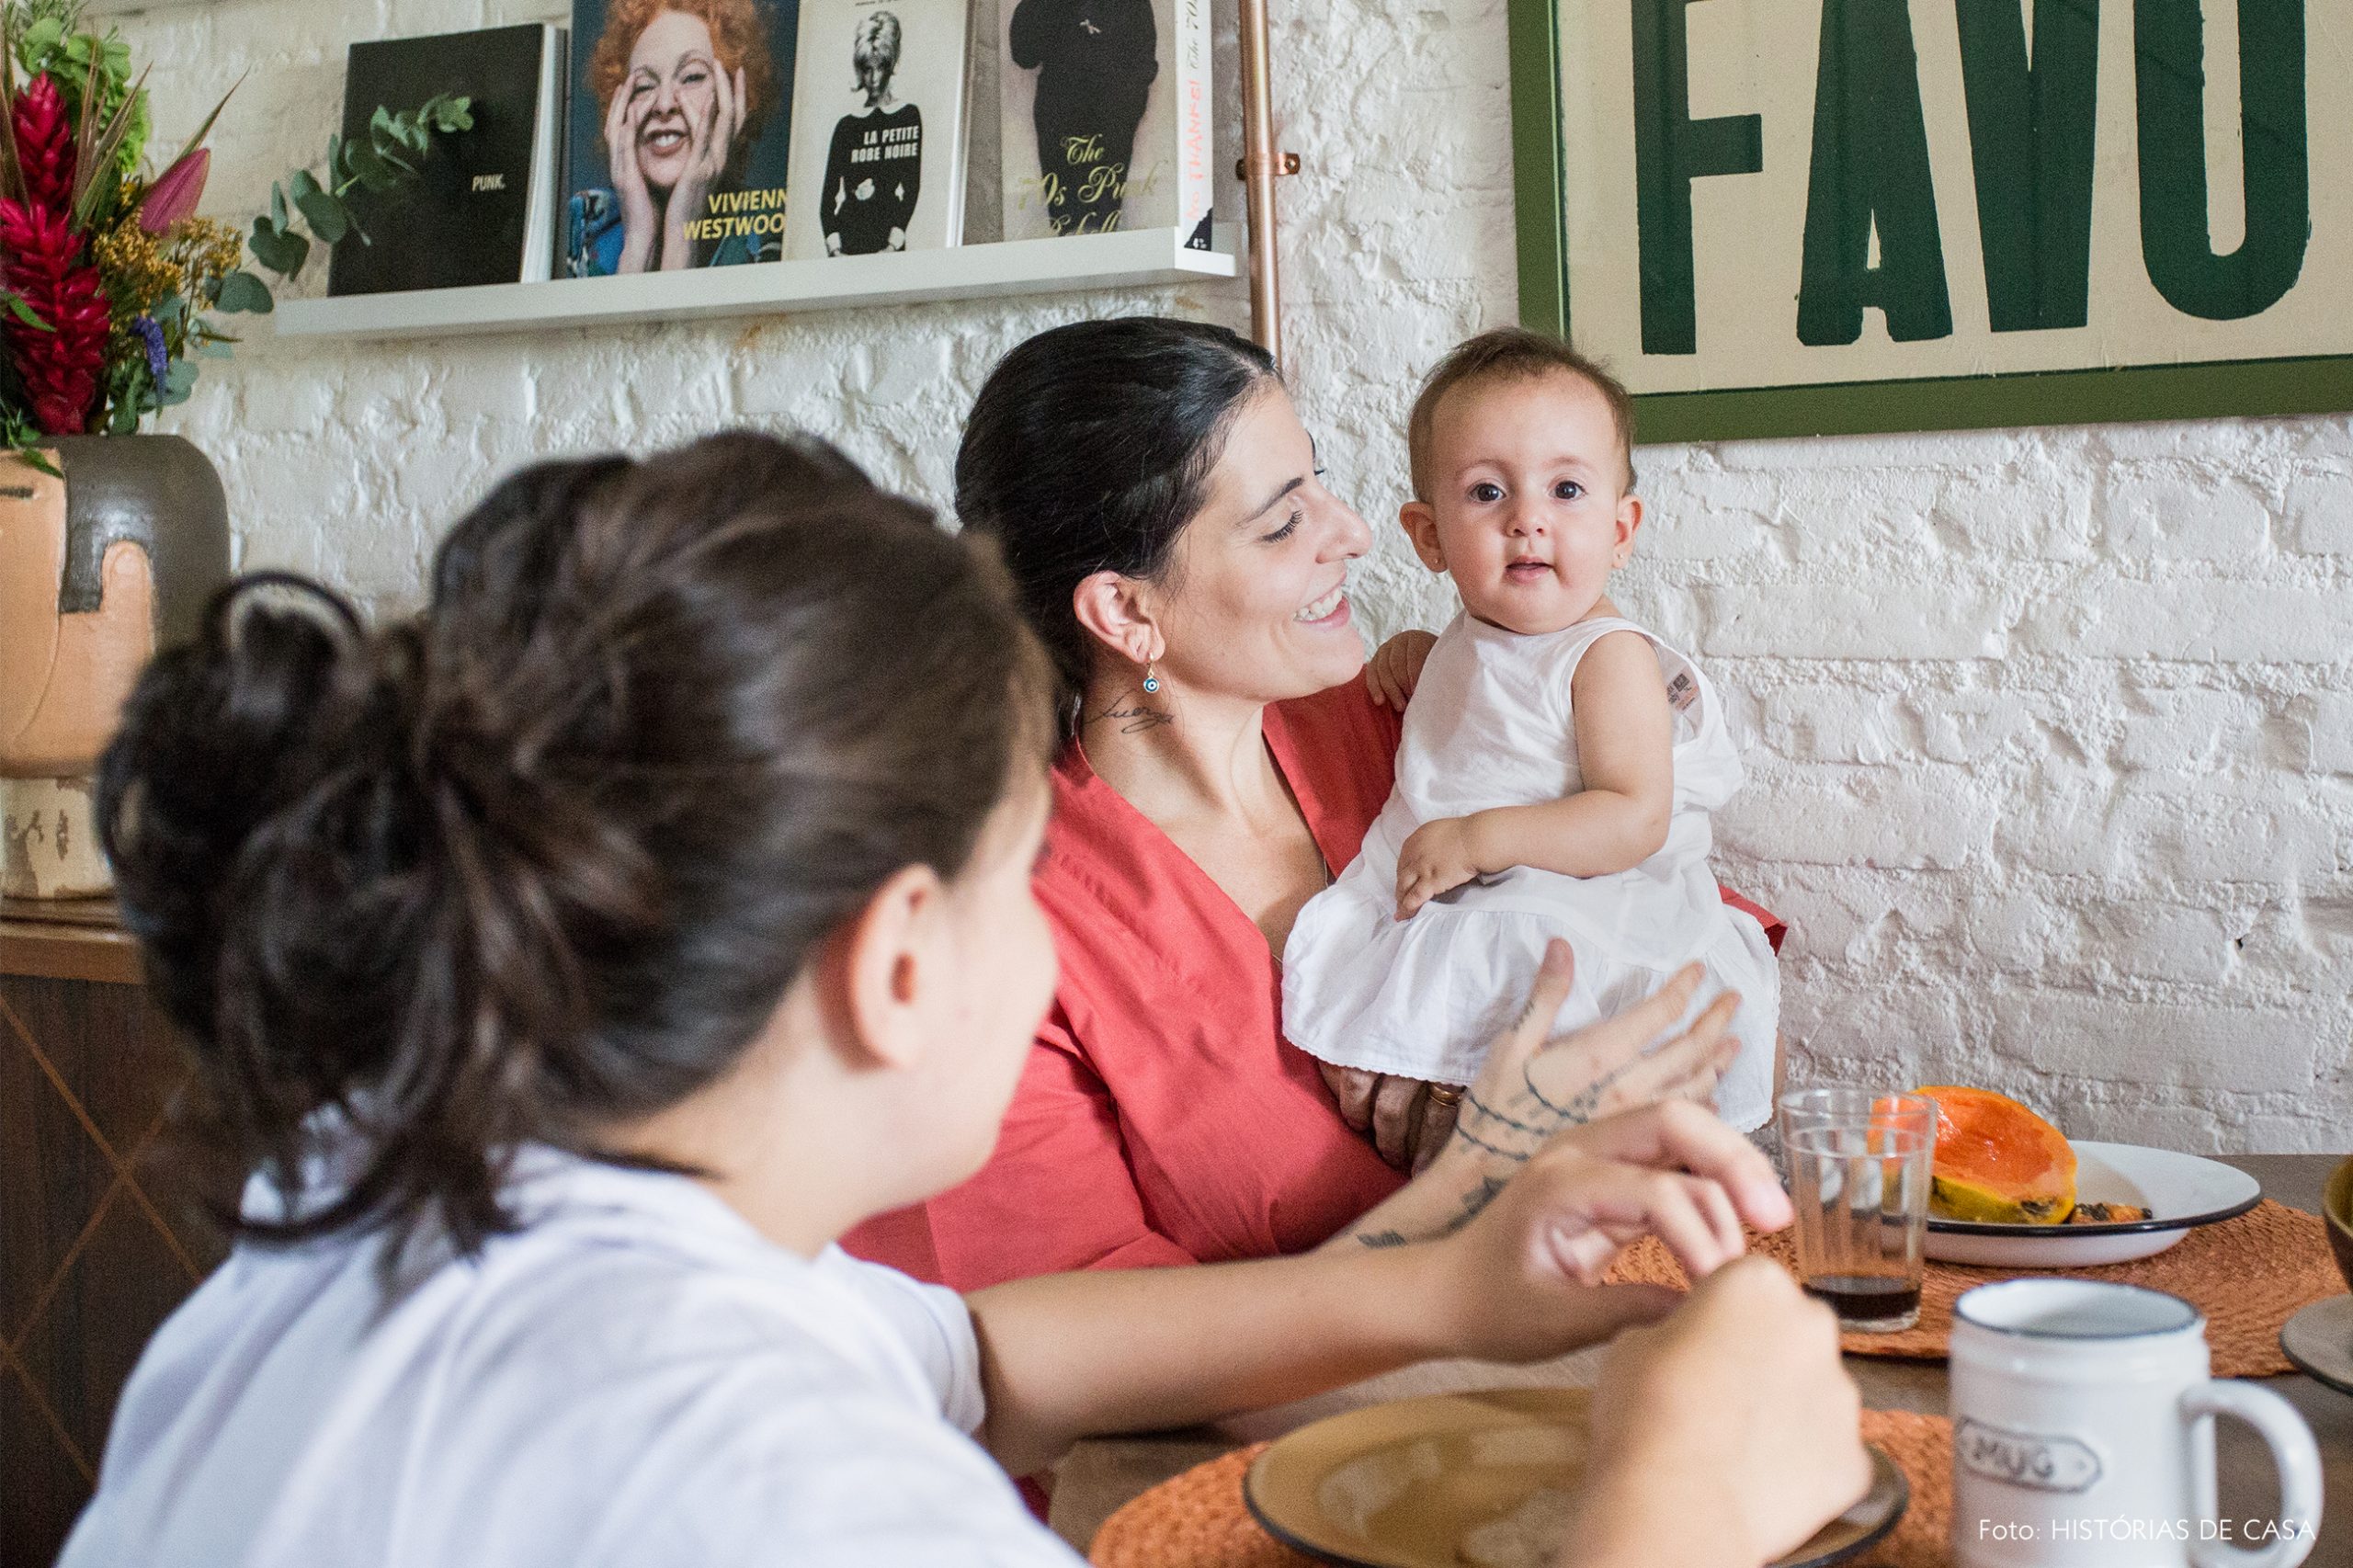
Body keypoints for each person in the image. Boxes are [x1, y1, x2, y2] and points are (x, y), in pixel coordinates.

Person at [58, 432, 1868, 1567]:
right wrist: (1676, 1509)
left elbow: (987, 1353)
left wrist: (1445, 1280)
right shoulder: (782, 1487)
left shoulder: (380, 1214)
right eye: (1025, 870)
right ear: (899, 960)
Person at [847, 317, 1787, 1292]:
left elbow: (1719, 979)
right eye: (1284, 520)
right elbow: (1046, 1350)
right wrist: (1480, 1173)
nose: (1357, 531)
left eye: (1321, 483)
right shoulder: (999, 925)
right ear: (1125, 611)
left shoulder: (1412, 720)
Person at [1282, 330, 1779, 1131]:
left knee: (1544, 1102)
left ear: (1621, 532)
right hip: (1486, 904)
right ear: (1430, 537)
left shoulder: (1608, 659)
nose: (1527, 522)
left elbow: (1633, 816)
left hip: (1589, 913)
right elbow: (1489, 708)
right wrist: (1426, 655)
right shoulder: (1468, 639)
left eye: (1567, 491)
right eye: (1487, 493)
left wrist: (1480, 838)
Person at [569, 0, 779, 275]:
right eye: (644, 85)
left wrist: (682, 234)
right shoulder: (586, 223)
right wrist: (637, 244)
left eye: (691, 77)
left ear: (734, 99)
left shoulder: (768, 233)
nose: (664, 104)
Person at [1006, 0, 1157, 234]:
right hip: (1061, 110)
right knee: (1066, 218)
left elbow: (1145, 63)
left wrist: (1124, 102)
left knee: (1103, 214)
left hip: (1110, 112)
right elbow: (1024, 53)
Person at [819, 11, 922, 256]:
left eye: (881, 67)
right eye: (867, 69)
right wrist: (835, 249)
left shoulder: (907, 116)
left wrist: (892, 244)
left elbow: (911, 188)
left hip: (887, 238)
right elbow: (828, 197)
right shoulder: (846, 126)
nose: (874, 78)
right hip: (848, 240)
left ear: (891, 64)